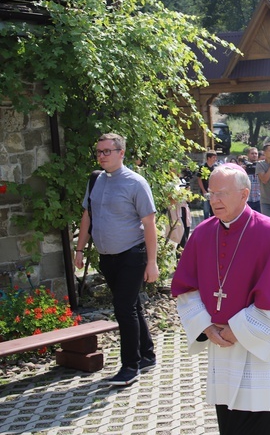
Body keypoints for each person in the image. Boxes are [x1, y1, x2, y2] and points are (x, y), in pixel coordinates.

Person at [171, 164, 270, 434]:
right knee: (230, 420)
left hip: (259, 347)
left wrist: (236, 330)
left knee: (268, 419)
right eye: (211, 193)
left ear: (244, 194)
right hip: (221, 345)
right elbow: (186, 289)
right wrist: (206, 327)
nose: (214, 200)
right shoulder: (202, 233)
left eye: (222, 193)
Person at [74, 133, 158, 386]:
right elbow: (87, 216)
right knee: (132, 306)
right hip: (107, 257)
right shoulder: (95, 179)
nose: (101, 156)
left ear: (121, 153)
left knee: (123, 309)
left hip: (132, 254)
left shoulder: (136, 183)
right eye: (98, 152)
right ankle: (147, 354)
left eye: (106, 151)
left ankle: (130, 366)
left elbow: (150, 223)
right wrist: (78, 250)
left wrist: (152, 262)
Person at [198, 151, 219, 219]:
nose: (215, 159)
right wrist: (203, 190)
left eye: (216, 157)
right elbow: (199, 179)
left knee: (213, 209)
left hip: (214, 192)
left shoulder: (215, 167)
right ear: (208, 158)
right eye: (213, 157)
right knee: (206, 209)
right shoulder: (203, 167)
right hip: (206, 191)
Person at [244, 147, 261, 213]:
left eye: (256, 153)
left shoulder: (261, 166)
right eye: (252, 153)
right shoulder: (244, 166)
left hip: (259, 198)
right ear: (248, 155)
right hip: (247, 199)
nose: (254, 155)